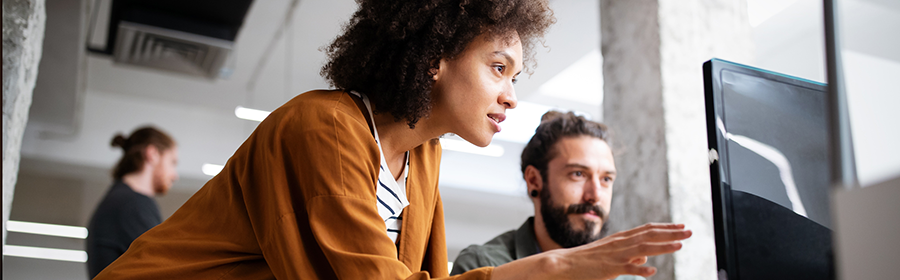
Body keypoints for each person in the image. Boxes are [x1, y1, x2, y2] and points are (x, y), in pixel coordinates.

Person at [94, 1, 690, 279]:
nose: (511, 96)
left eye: (515, 76)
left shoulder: (421, 157)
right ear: (434, 57)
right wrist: (559, 265)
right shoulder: (324, 128)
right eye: (498, 67)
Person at [452, 111, 658, 279]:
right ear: (534, 180)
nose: (595, 195)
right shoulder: (483, 267)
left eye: (606, 179)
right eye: (578, 174)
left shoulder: (626, 275)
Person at [85, 126, 179, 278]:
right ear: (152, 154)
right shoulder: (133, 204)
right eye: (172, 162)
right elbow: (165, 270)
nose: (175, 175)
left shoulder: (120, 199)